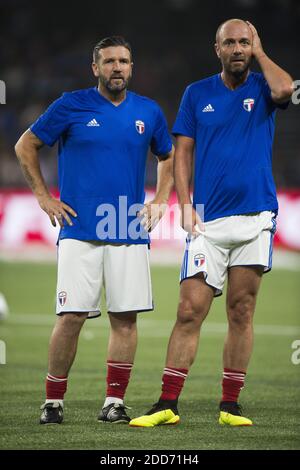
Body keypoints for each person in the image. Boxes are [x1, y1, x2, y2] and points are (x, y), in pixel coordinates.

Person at [129, 19, 294, 428]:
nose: (238, 48)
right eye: (230, 43)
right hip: (209, 222)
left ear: (252, 45)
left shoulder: (263, 87)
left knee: (242, 310)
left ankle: (230, 405)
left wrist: (260, 52)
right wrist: (185, 204)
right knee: (189, 309)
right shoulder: (196, 93)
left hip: (255, 217)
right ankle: (167, 403)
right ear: (216, 48)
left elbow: (286, 89)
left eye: (244, 42)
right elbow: (182, 152)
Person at [15, 36, 174, 425]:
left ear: (131, 67)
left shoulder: (148, 111)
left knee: (125, 317)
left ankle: (114, 402)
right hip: (78, 227)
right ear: (95, 68)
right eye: (109, 62)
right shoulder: (71, 104)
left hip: (127, 227)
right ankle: (53, 402)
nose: (117, 67)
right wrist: (43, 196)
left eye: (123, 61)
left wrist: (160, 200)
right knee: (70, 316)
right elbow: (26, 145)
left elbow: (167, 156)